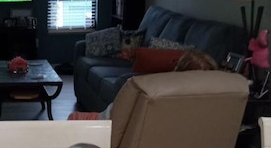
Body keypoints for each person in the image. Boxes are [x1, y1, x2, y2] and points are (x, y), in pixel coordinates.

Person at [68, 49, 218, 120]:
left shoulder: (147, 95)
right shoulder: (215, 112)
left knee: (74, 118)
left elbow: (109, 119)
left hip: (108, 129)